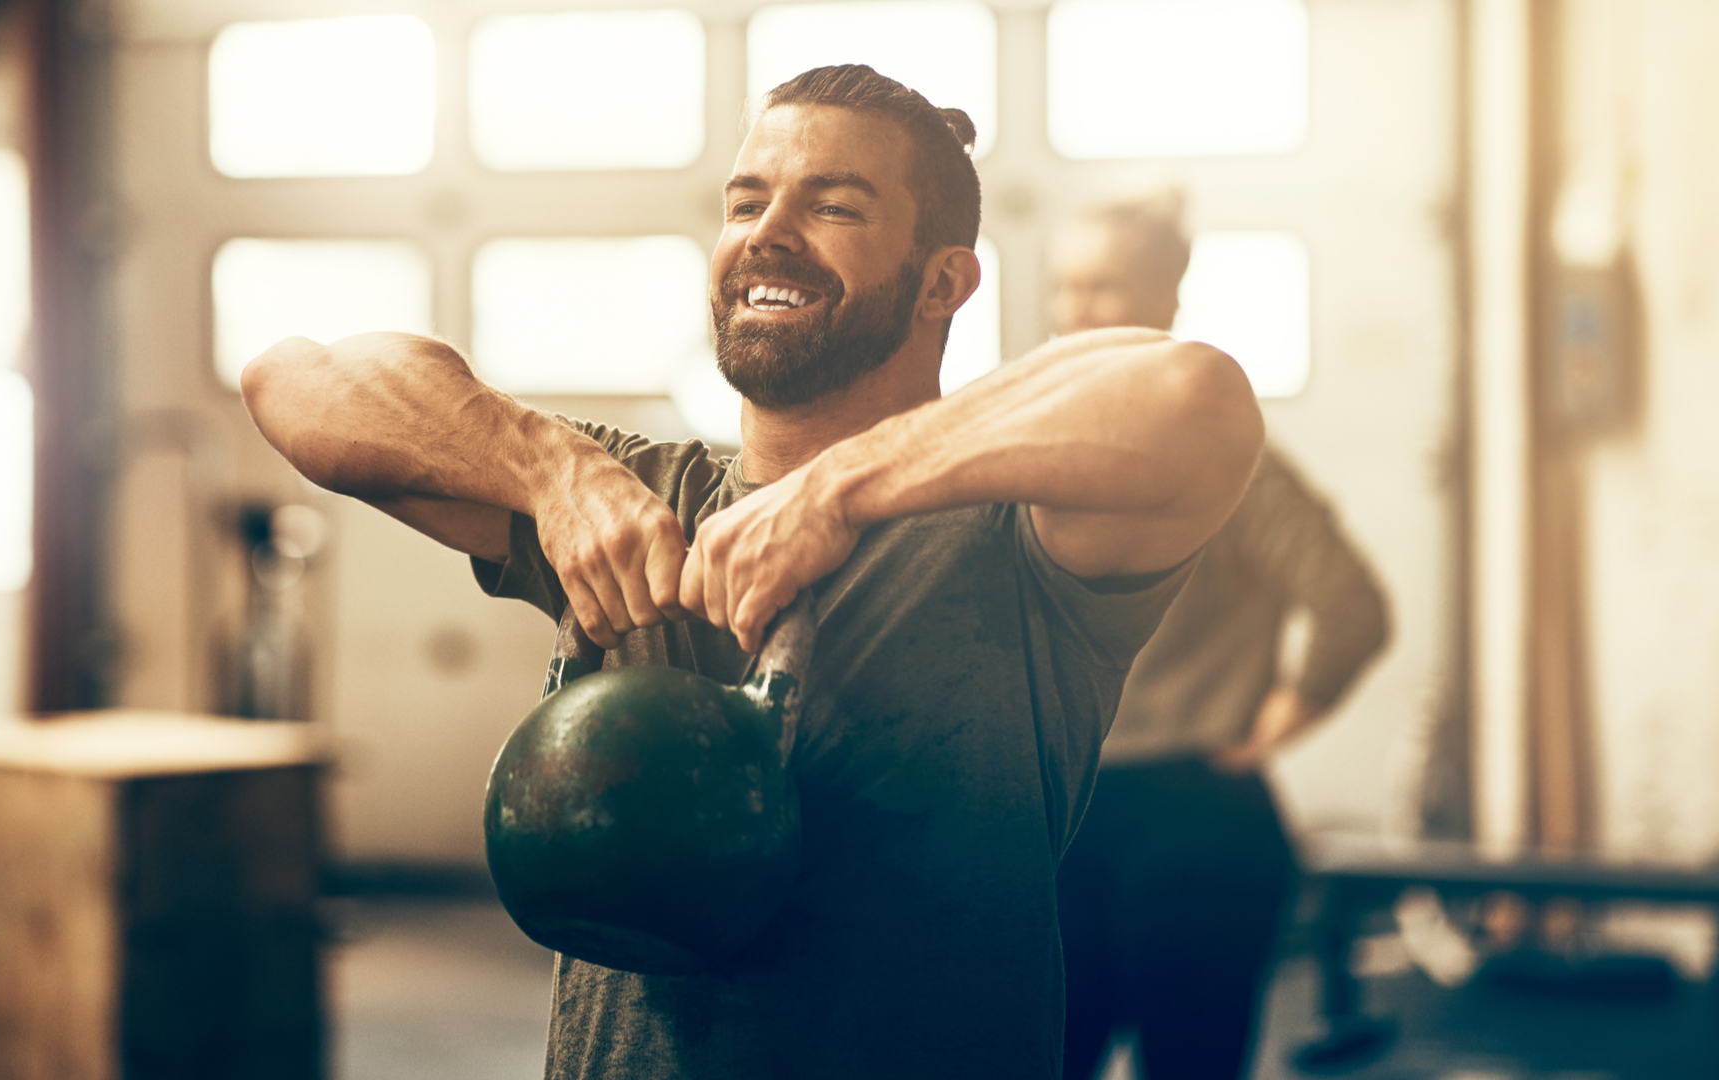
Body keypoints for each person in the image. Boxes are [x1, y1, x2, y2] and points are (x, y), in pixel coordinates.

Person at [242, 67, 1262, 1080]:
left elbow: (1197, 398)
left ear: (943, 282)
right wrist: (553, 472)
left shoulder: (1019, 540)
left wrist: (839, 491)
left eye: (832, 206)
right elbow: (297, 383)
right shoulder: (629, 498)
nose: (767, 233)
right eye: (746, 201)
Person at [1047, 191, 1391, 1080]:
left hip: (1192, 828)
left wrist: (1272, 722)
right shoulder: (1033, 452)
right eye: (1067, 287)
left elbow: (1352, 604)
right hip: (1059, 827)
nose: (1078, 310)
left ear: (1165, 301)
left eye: (1105, 287)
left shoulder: (1227, 459)